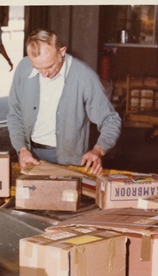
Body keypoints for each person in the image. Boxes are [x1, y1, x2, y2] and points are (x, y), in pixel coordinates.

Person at [7, 29, 121, 175]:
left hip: (70, 161)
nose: (45, 74)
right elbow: (14, 115)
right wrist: (21, 149)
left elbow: (110, 120)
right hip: (30, 156)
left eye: (49, 66)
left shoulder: (84, 77)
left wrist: (98, 150)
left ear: (62, 52)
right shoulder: (24, 68)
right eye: (37, 68)